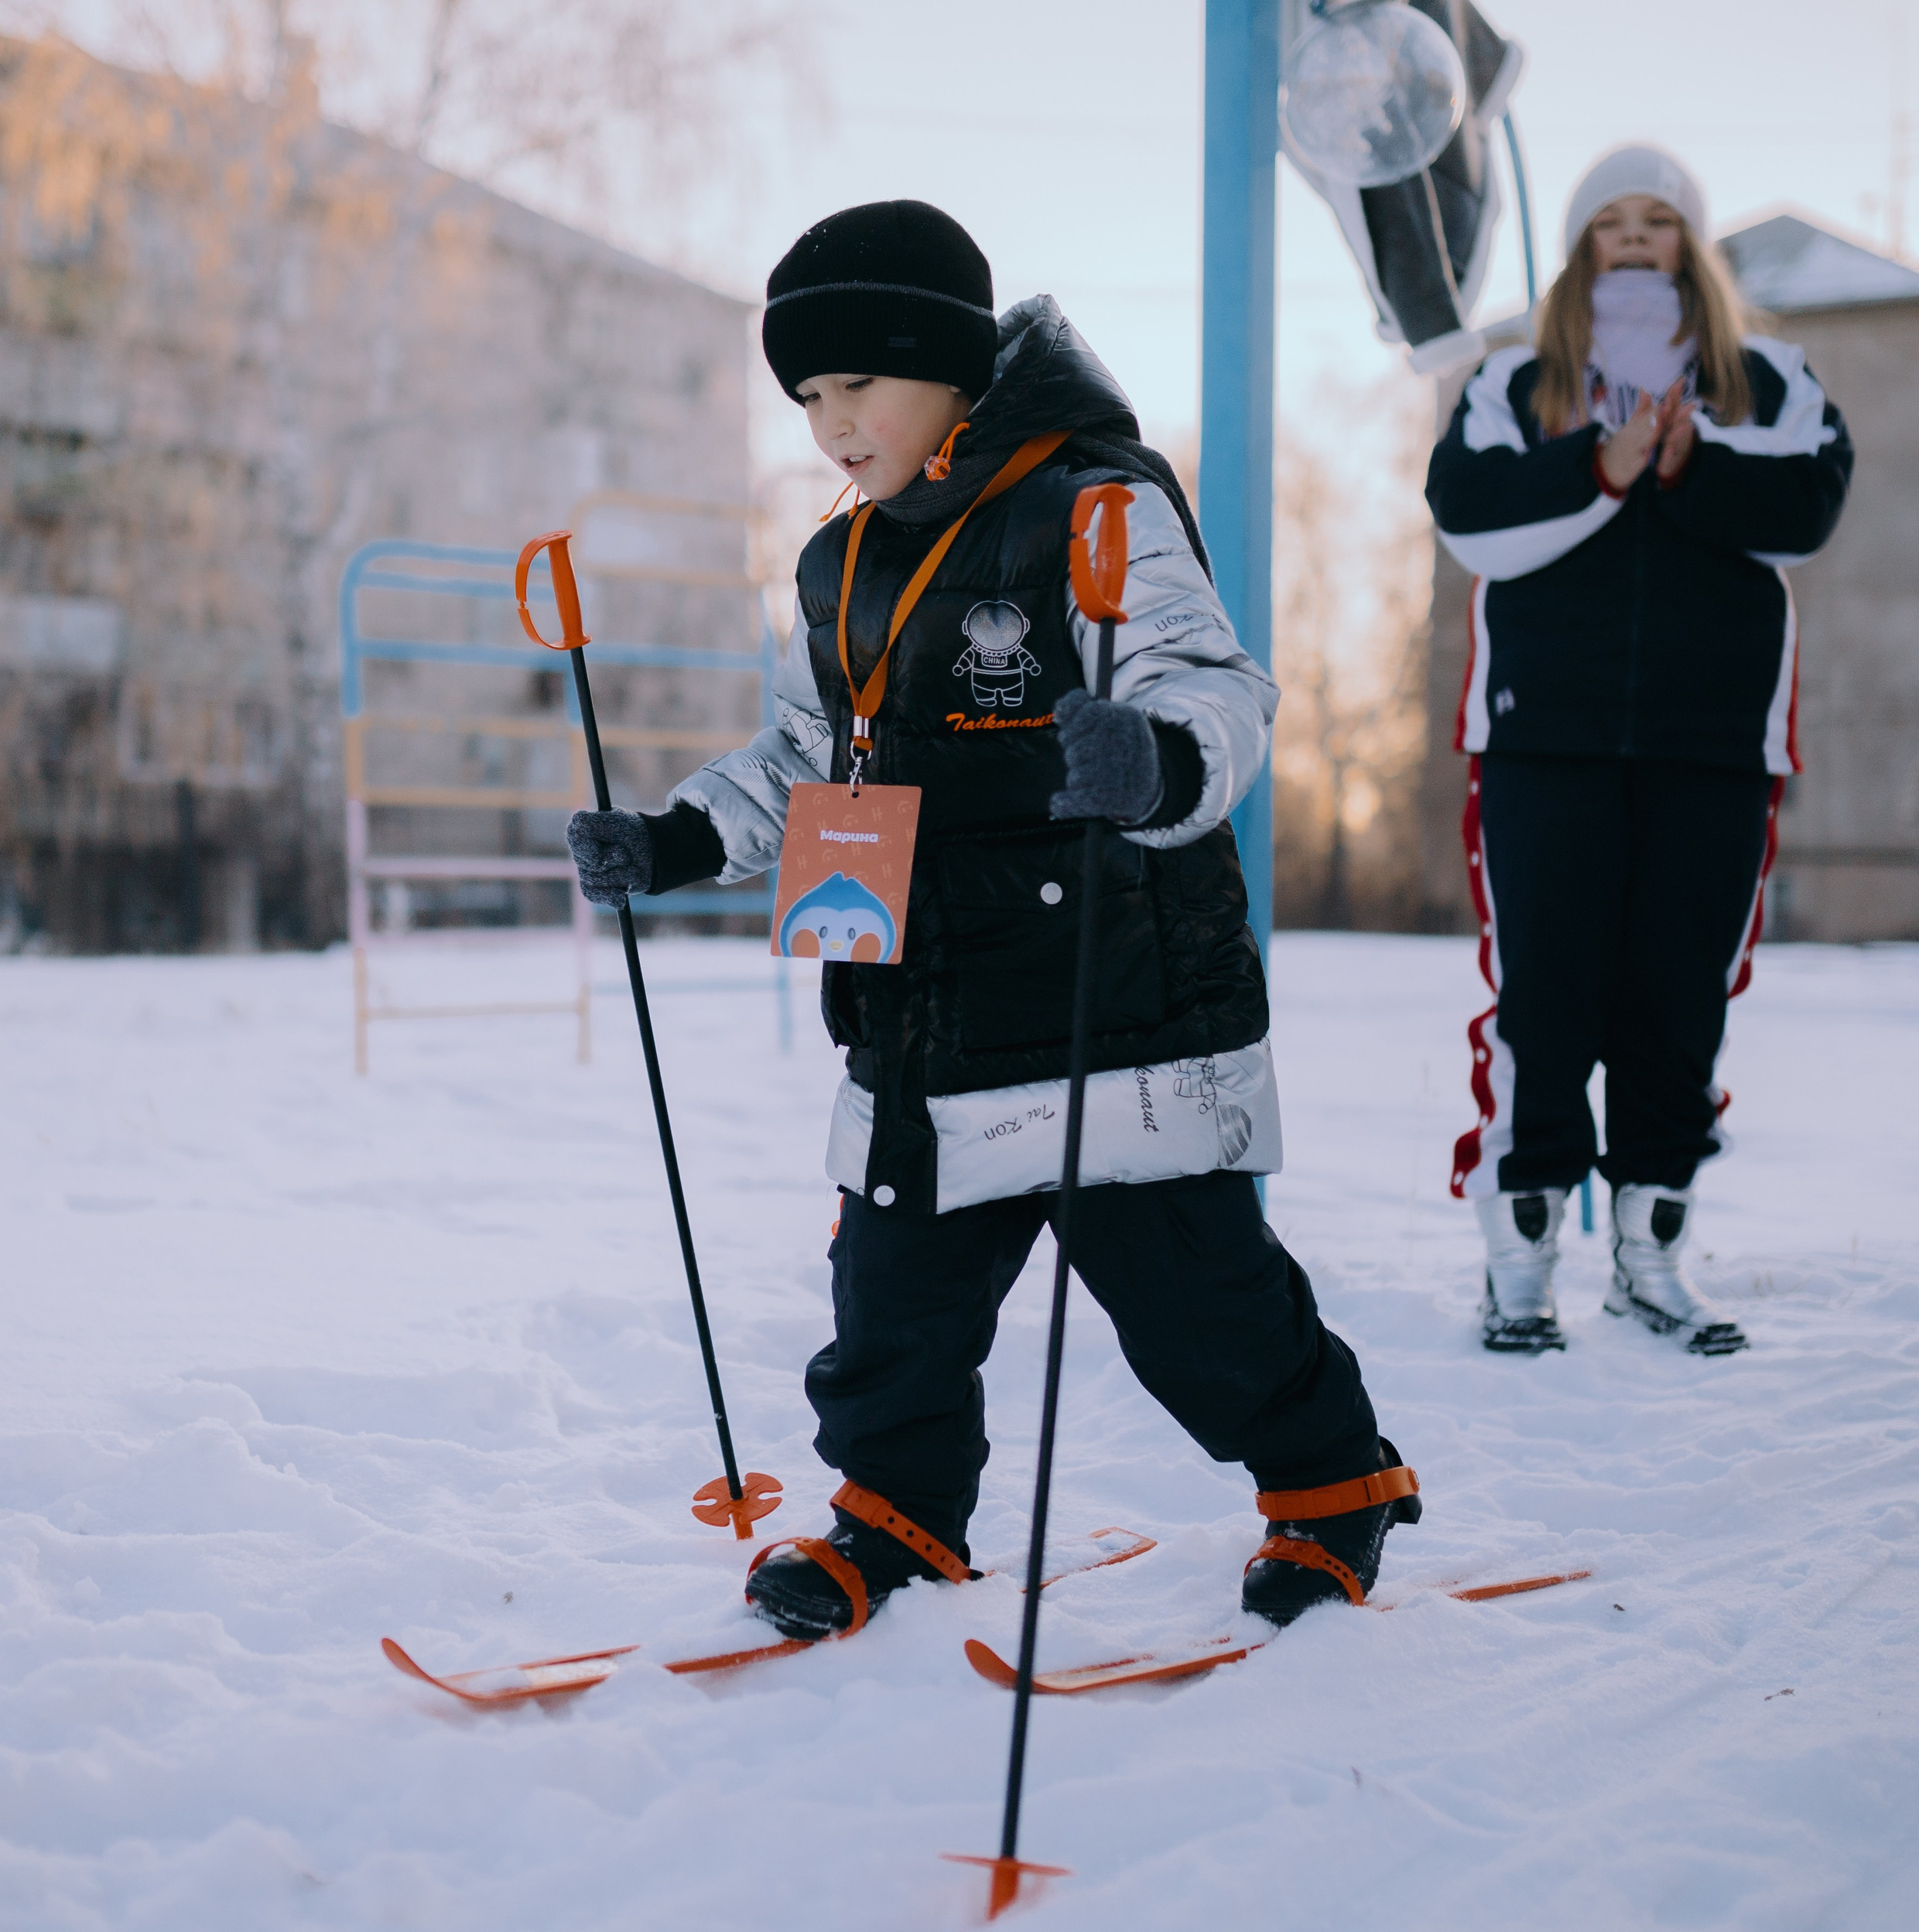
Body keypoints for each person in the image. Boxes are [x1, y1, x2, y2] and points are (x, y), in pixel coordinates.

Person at [569, 200, 1419, 1636]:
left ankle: (1333, 1489)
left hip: (1111, 991)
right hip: (924, 1000)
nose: (834, 425)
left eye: (862, 384)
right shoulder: (840, 563)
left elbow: (1210, 679)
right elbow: (800, 757)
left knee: (1196, 1302)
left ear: (956, 369)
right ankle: (891, 1516)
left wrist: (1157, 759)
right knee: (889, 1293)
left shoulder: (1093, 502)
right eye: (810, 395)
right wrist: (675, 837)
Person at [1425, 146, 1853, 1357]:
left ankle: (1652, 1256)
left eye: (1657, 218)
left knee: (1678, 1007)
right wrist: (1597, 466)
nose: (1631, 235)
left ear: (1691, 242)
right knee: (1545, 1002)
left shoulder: (1767, 377)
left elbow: (1809, 508)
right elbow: (1467, 514)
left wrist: (1688, 463)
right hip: (1541, 743)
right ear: (1578, 243)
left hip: (1714, 748)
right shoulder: (1516, 378)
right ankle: (1522, 1261)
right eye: (1608, 219)